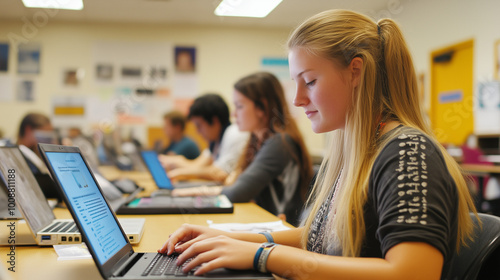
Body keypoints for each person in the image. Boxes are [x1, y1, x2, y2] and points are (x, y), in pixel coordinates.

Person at [158, 9, 477, 279]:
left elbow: (412, 273)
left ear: (356, 71)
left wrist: (262, 255)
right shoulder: (360, 148)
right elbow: (323, 236)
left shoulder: (406, 151)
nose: (297, 100)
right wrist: (228, 237)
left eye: (309, 81)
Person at [172, 72, 313, 225]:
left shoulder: (279, 143)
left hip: (282, 229)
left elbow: (236, 193)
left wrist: (190, 193)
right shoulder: (257, 141)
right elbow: (233, 183)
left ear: (262, 108)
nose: (233, 114)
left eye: (239, 106)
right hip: (264, 222)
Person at [159, 94, 249, 182]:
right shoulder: (216, 140)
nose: (198, 131)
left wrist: (180, 172)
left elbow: (220, 173)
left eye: (199, 125)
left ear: (214, 121)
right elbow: (198, 165)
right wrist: (176, 162)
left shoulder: (234, 133)